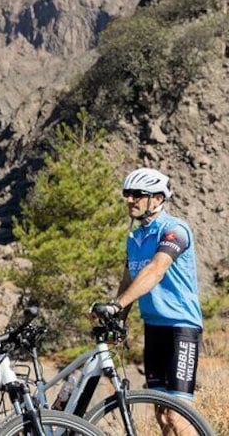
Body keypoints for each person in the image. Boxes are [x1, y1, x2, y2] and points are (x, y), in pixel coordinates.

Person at [92, 168, 203, 422]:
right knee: (161, 414)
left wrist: (117, 304)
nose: (130, 200)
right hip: (153, 328)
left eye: (138, 194)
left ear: (158, 199)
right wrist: (116, 317)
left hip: (181, 327)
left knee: (177, 415)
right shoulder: (134, 237)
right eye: (127, 194)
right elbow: (129, 280)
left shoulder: (175, 230)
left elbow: (155, 271)